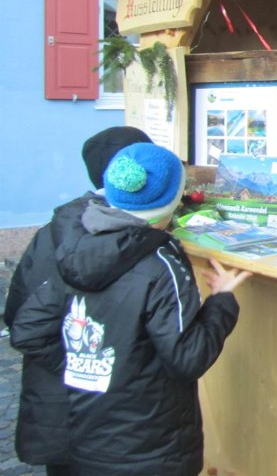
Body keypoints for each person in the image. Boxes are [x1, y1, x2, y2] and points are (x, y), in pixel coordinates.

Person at [11, 142, 250, 476]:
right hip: (153, 447)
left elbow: (28, 331)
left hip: (86, 440)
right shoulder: (160, 262)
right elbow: (188, 357)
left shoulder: (74, 248)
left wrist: (93, 369)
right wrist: (221, 301)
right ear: (170, 203)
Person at [3, 125, 152, 476]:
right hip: (117, 416)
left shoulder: (51, 231)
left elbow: (17, 315)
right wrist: (89, 366)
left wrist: (75, 365)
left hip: (62, 410)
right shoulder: (143, 240)